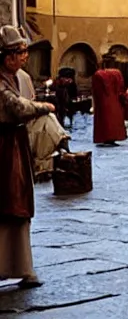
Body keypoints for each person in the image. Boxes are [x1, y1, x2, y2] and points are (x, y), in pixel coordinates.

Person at [0, 26, 55, 288]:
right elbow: (16, 106)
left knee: (19, 204)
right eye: (20, 52)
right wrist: (43, 107)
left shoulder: (19, 77)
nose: (25, 56)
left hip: (15, 146)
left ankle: (22, 266)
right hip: (3, 146)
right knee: (6, 204)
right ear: (7, 55)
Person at [16, 54, 70, 179]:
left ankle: (59, 141)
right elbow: (19, 105)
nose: (24, 57)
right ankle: (61, 140)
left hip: (24, 124)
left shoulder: (23, 76)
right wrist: (43, 107)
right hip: (15, 129)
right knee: (47, 121)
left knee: (48, 120)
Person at [92, 54, 127, 145]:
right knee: (113, 120)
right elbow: (121, 89)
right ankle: (113, 137)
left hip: (103, 103)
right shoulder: (117, 73)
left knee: (105, 120)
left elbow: (96, 92)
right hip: (115, 103)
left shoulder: (98, 74)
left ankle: (105, 137)